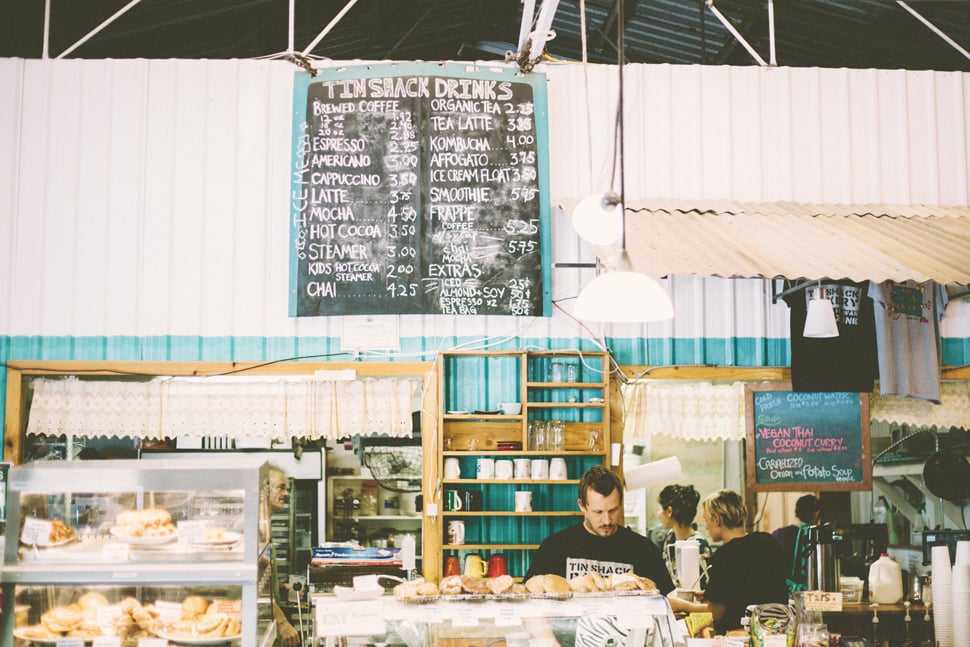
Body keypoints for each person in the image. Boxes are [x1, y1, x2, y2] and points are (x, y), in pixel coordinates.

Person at [524, 466, 677, 646]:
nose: (607, 521)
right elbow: (530, 605)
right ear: (582, 505)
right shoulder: (556, 546)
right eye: (598, 512)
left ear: (621, 504)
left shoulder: (643, 549)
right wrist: (549, 643)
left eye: (612, 510)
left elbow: (664, 604)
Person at [701, 489, 789, 635]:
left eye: (706, 520)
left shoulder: (725, 555)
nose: (706, 526)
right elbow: (749, 588)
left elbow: (716, 613)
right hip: (777, 634)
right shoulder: (767, 541)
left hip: (741, 636)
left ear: (717, 519)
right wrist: (714, 593)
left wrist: (681, 605)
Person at [267, 465, 301, 647]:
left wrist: (281, 588)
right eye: (281, 487)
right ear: (264, 489)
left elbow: (260, 578)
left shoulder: (265, 524)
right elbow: (244, 587)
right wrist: (282, 622)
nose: (287, 493)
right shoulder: (251, 527)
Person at [657, 484, 711, 590]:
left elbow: (702, 587)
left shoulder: (698, 545)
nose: (657, 513)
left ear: (669, 511)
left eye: (659, 508)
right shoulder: (670, 538)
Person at [771, 494, 819, 594]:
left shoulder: (778, 534)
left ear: (796, 512)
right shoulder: (819, 536)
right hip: (812, 594)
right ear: (816, 514)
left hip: (784, 593)